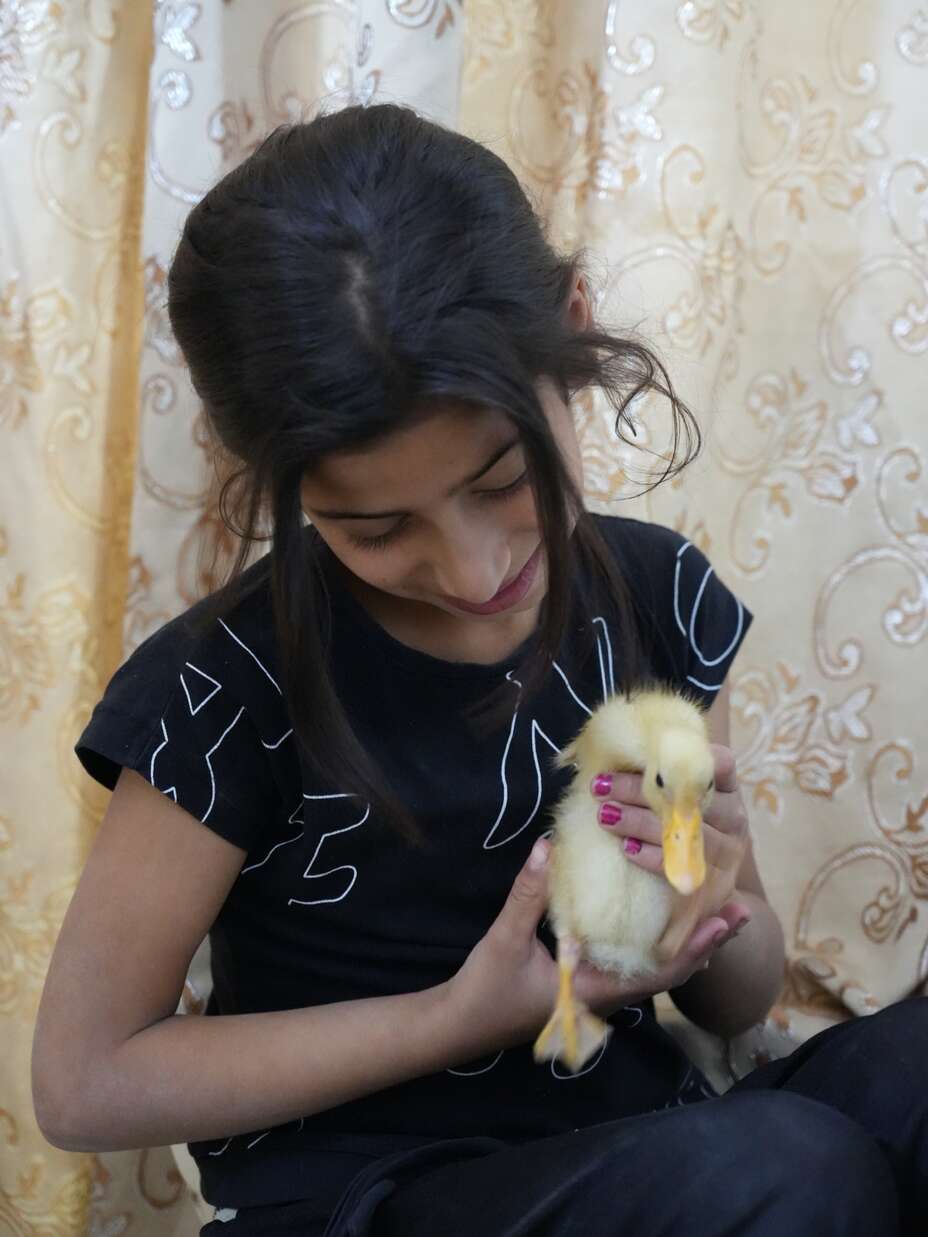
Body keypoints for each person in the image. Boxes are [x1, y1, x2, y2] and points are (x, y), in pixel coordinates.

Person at [31, 104, 923, 1236]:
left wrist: (716, 906)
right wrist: (460, 1016)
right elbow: (85, 1081)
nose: (470, 567)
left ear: (573, 326)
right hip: (367, 1197)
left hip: (653, 1145)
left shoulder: (658, 595)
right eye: (374, 528)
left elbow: (732, 993)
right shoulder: (220, 688)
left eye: (502, 480)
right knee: (783, 1172)